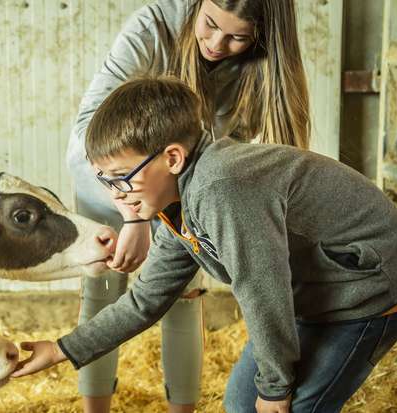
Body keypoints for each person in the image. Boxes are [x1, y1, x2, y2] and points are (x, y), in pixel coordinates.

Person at [14, 76, 397, 413]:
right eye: (106, 180)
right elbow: (146, 299)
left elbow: (261, 287)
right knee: (241, 403)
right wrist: (62, 349)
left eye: (121, 177)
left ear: (172, 158)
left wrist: (276, 388)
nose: (116, 195)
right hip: (311, 291)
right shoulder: (179, 204)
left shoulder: (221, 187)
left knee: (293, 407)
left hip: (365, 288)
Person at [66, 1, 310, 411]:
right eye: (210, 24)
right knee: (104, 288)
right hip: (112, 180)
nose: (216, 44)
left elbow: (242, 146)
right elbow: (89, 126)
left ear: (260, 36)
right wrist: (134, 215)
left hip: (186, 186)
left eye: (238, 38)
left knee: (184, 293)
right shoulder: (154, 25)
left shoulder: (263, 63)